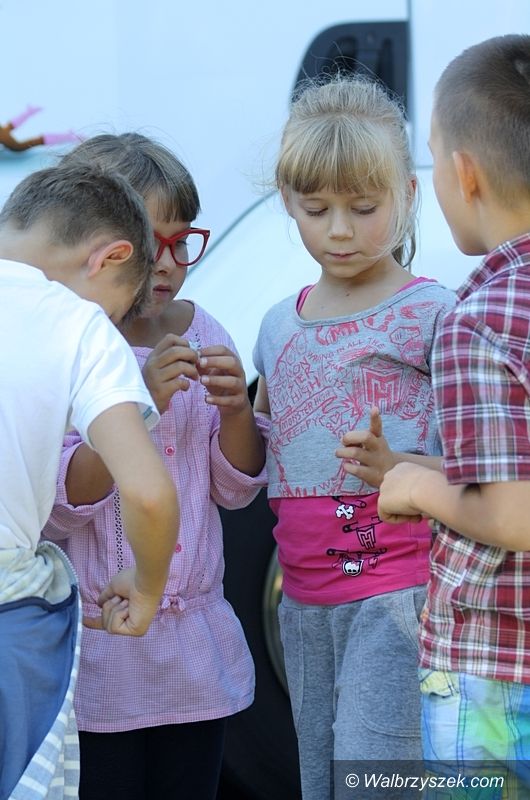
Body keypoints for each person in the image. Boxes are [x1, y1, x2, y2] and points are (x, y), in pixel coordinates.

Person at [43, 133, 269, 800]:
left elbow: (234, 490)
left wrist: (236, 411)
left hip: (192, 652)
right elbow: (61, 503)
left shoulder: (203, 330)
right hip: (102, 646)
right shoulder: (74, 346)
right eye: (151, 244)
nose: (168, 263)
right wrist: (138, 408)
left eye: (182, 242)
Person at [252, 75, 455, 800]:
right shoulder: (277, 324)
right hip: (303, 603)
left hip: (397, 595)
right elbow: (261, 455)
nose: (339, 230)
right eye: (317, 209)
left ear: (407, 193)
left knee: (380, 776)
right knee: (319, 779)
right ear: (288, 201)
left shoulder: (435, 313)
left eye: (364, 208)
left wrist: (400, 466)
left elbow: (483, 462)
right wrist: (229, 411)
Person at [377, 34, 530, 795]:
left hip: (498, 671)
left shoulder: (483, 320)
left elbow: (515, 513)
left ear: (464, 174)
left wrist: (415, 487)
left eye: (433, 159)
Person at [0, 162, 179, 800]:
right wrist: (147, 588)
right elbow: (149, 492)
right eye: (113, 310)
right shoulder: (76, 326)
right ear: (110, 257)